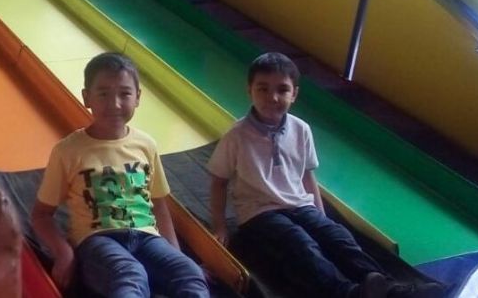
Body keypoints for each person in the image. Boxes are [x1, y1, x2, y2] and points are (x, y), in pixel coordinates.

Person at [207, 52, 445, 298]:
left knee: (336, 236)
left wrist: (320, 217)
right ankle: (347, 293)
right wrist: (220, 226)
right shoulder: (237, 136)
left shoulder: (301, 129)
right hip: (259, 214)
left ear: (294, 94)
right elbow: (219, 181)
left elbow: (307, 175)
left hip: (299, 204)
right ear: (250, 91)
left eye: (282, 90)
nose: (273, 97)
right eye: (263, 89)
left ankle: (384, 286)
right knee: (300, 243)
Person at [31, 52, 209, 298]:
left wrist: (177, 255)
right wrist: (63, 252)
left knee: (190, 273)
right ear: (87, 98)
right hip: (97, 240)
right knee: (130, 274)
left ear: (138, 98)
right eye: (103, 94)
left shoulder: (145, 145)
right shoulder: (68, 150)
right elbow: (41, 215)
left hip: (147, 238)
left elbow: (159, 204)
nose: (114, 104)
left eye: (125, 94)